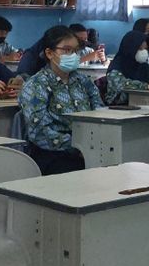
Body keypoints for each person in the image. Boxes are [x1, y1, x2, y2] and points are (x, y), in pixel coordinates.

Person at [18, 25, 103, 174]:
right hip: (54, 155)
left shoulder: (84, 82)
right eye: (67, 50)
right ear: (50, 53)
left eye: (76, 50)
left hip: (89, 148)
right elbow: (39, 132)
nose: (74, 55)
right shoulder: (36, 85)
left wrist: (92, 145)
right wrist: (77, 146)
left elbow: (100, 115)